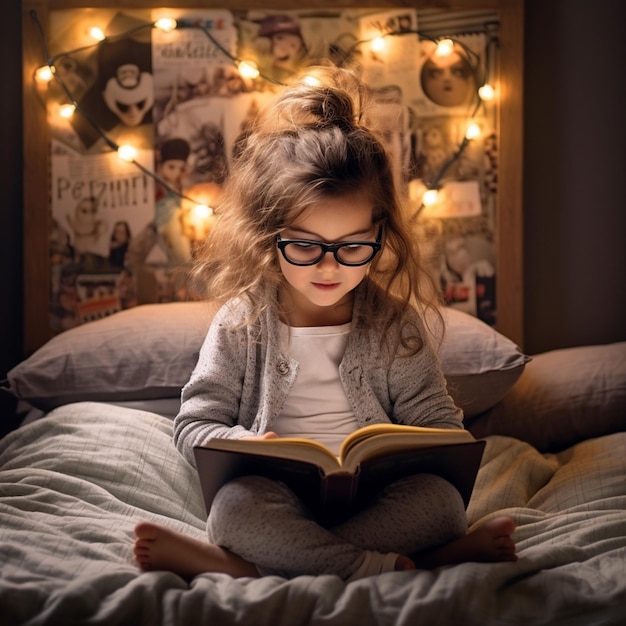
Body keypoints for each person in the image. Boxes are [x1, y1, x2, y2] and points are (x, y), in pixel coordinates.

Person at [133, 66, 516, 582]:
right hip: (276, 494)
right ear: (268, 236)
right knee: (232, 511)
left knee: (442, 504)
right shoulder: (241, 323)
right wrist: (243, 444)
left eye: (353, 246)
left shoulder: (395, 325)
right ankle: (388, 566)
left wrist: (417, 447)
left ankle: (250, 567)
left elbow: (442, 430)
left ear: (381, 235)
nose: (330, 267)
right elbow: (195, 422)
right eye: (307, 246)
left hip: (375, 500)